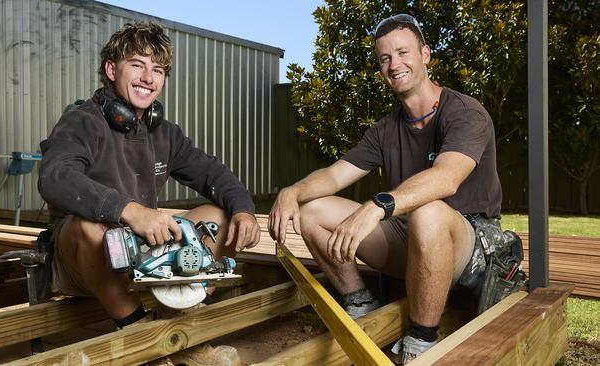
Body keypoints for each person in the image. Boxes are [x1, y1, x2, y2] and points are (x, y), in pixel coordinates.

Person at [268, 14, 504, 363]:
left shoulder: (466, 112)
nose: (395, 65)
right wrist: (292, 190)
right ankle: (362, 305)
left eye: (403, 52)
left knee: (428, 210)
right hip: (412, 238)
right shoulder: (385, 129)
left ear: (425, 55)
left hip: (468, 250)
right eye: (385, 58)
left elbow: (447, 177)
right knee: (311, 210)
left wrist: (377, 205)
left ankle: (420, 343)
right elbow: (334, 176)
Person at [38, 21, 260, 341]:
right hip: (81, 262)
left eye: (157, 70)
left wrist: (244, 210)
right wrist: (129, 210)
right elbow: (55, 177)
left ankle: (185, 313)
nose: (147, 78)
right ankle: (138, 329)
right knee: (91, 229)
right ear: (112, 70)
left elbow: (213, 173)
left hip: (143, 253)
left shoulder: (164, 132)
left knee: (219, 217)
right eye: (137, 65)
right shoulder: (82, 121)